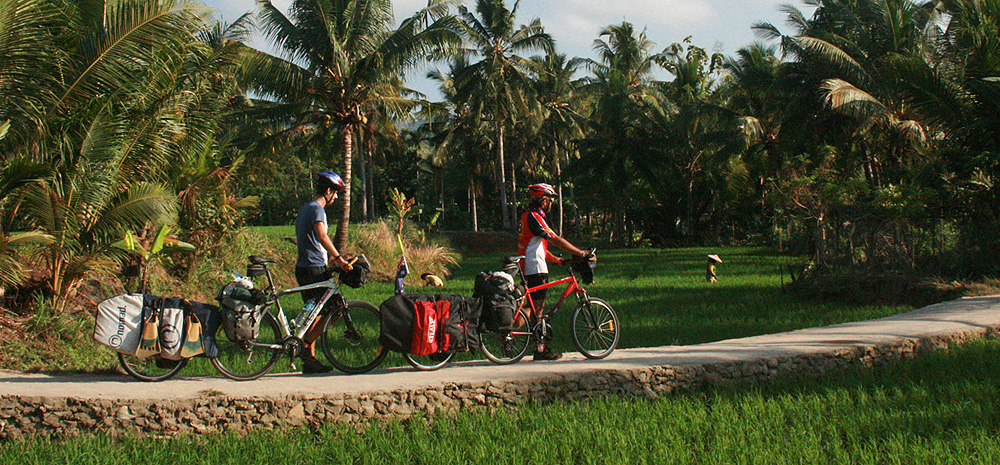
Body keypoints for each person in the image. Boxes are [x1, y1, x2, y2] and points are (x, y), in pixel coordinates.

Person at [517, 183, 588, 361]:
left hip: (529, 265)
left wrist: (556, 259)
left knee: (535, 308)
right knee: (538, 310)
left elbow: (534, 244)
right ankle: (538, 348)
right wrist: (580, 252)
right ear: (543, 200)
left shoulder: (527, 216)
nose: (551, 204)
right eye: (550, 200)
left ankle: (522, 334)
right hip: (535, 268)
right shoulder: (535, 217)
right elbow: (555, 239)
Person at [294, 171, 354, 374]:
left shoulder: (305, 208)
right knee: (336, 308)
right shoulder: (317, 210)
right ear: (328, 191)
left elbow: (311, 240)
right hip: (313, 268)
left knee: (314, 314)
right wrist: (339, 258)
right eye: (335, 193)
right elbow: (321, 235)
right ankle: (305, 344)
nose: (336, 197)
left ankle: (309, 361)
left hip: (306, 267)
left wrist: (329, 259)